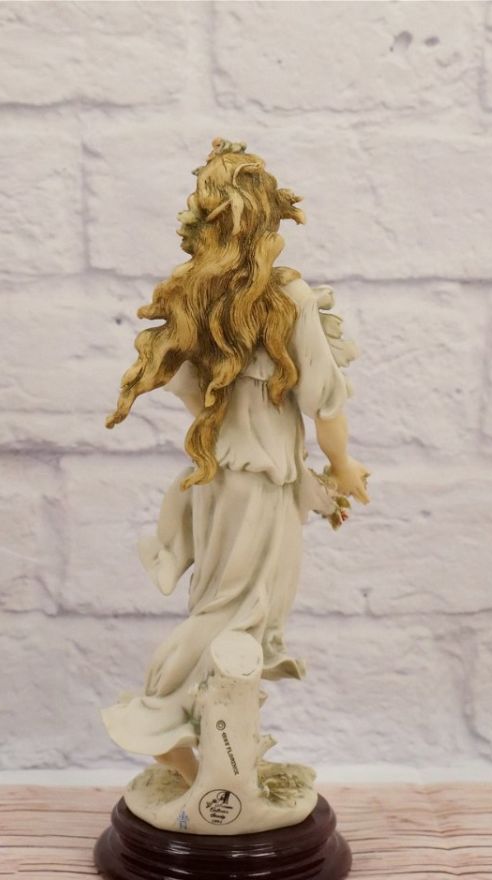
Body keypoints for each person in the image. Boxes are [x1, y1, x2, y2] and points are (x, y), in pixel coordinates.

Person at [101, 137, 370, 786]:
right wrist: (343, 464)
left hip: (218, 478)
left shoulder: (203, 294)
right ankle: (161, 714)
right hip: (258, 484)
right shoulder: (286, 298)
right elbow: (324, 400)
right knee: (234, 613)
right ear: (266, 219)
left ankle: (221, 750)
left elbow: (192, 391)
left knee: (225, 609)